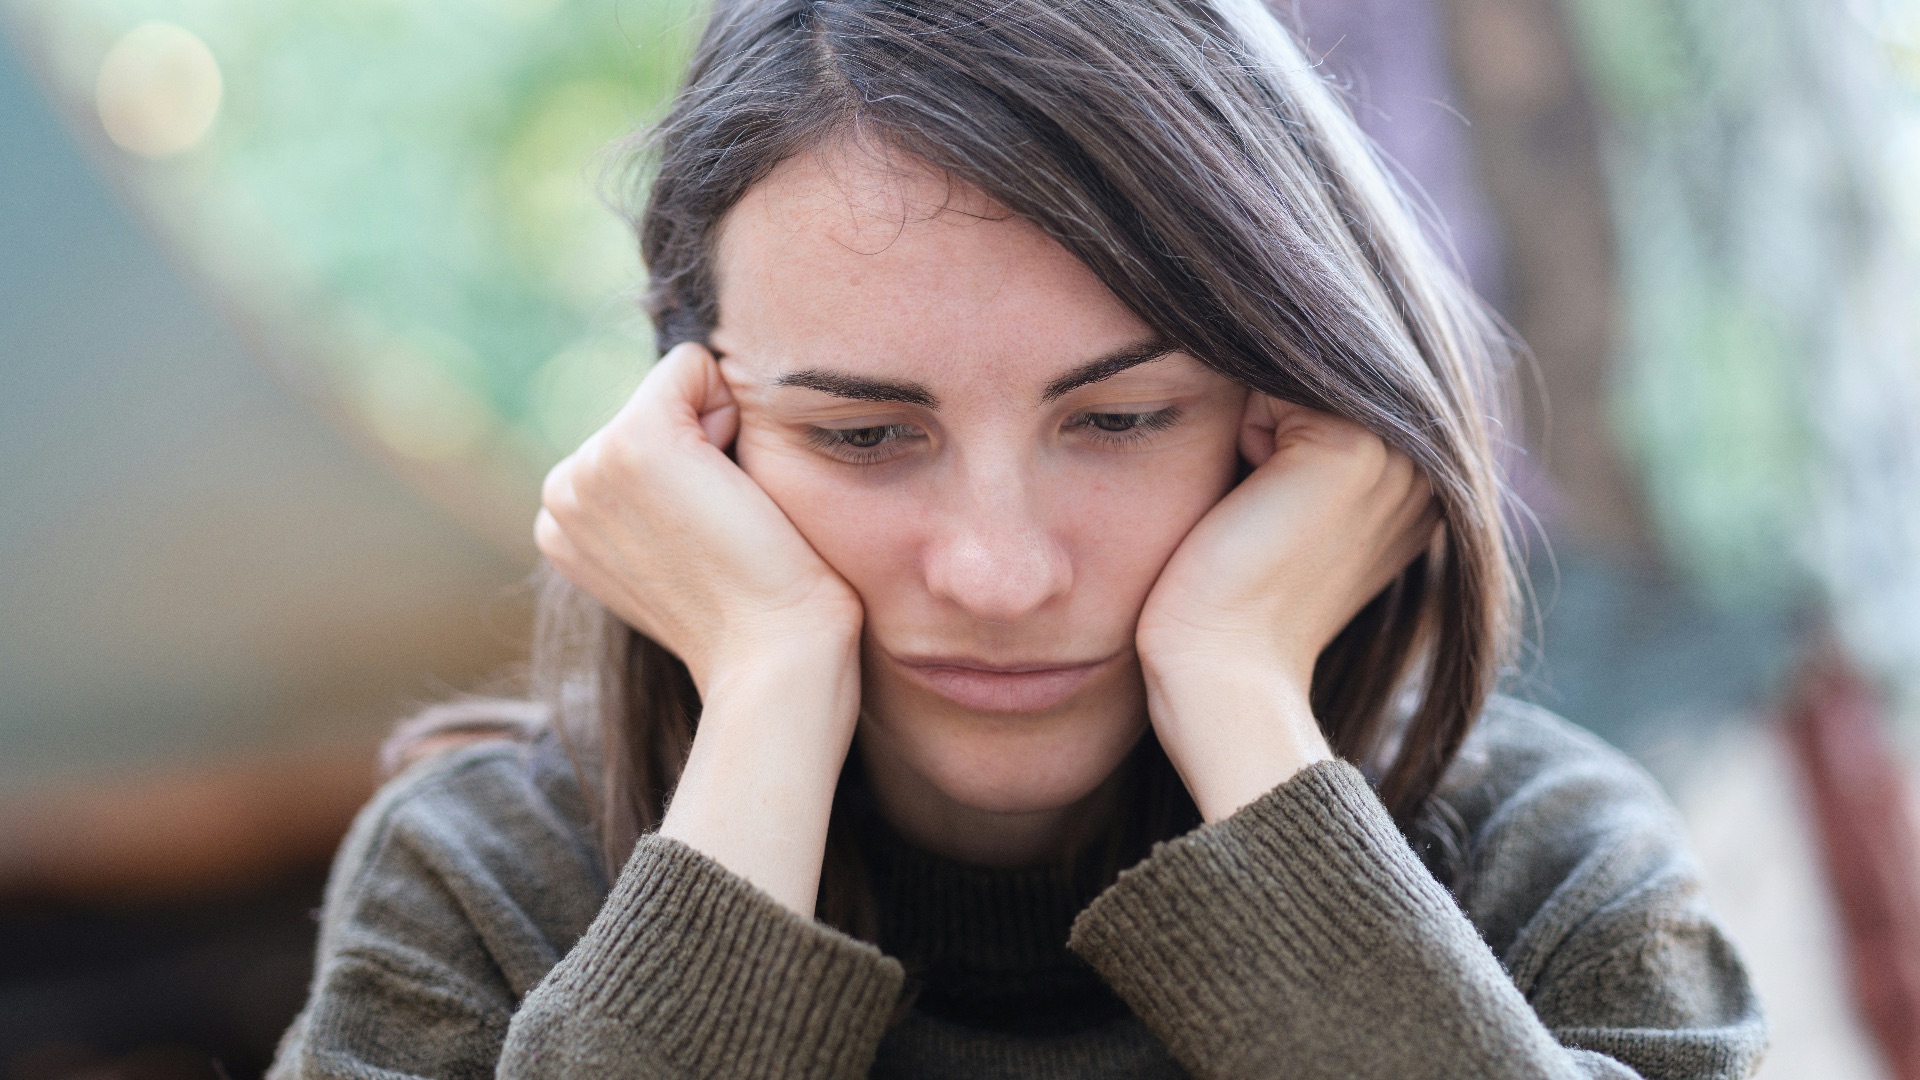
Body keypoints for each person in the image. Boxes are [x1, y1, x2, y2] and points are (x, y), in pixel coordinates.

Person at [269, 0, 1766, 1076]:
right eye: (862, 436)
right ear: (694, 433)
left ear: (1295, 413)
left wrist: (1236, 689)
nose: (999, 572)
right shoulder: (488, 886)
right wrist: (773, 693)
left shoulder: (1544, 875)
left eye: (1120, 422)